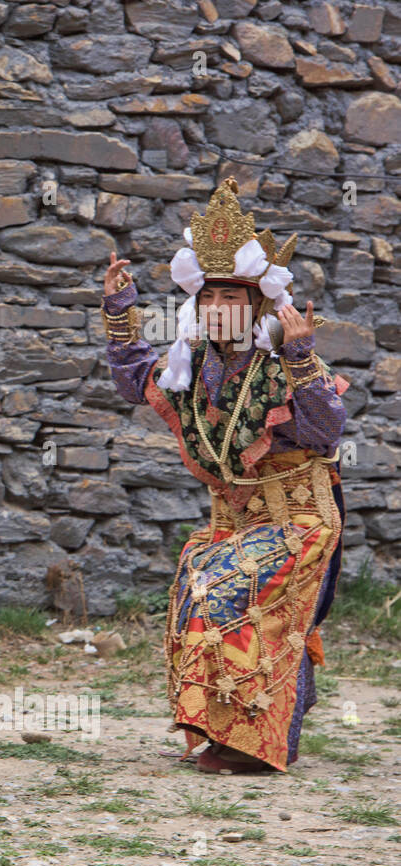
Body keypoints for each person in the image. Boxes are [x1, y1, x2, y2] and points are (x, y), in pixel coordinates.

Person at [101, 178, 348, 775]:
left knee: (225, 591)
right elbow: (138, 377)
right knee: (197, 583)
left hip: (301, 519)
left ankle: (257, 743)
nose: (217, 310)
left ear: (258, 304)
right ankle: (228, 729)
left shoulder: (285, 360)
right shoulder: (193, 366)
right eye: (208, 298)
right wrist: (118, 311)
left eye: (229, 298)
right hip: (236, 520)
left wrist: (300, 357)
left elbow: (325, 433)